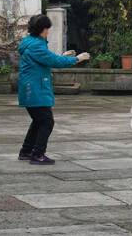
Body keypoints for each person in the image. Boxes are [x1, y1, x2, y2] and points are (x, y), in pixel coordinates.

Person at [17, 14, 89, 165]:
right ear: (42, 29)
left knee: (38, 120)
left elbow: (46, 59)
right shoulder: (37, 45)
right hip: (36, 89)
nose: (48, 32)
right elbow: (53, 60)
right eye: (47, 29)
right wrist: (76, 59)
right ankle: (38, 154)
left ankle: (26, 151)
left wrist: (62, 56)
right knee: (47, 121)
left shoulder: (30, 42)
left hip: (31, 89)